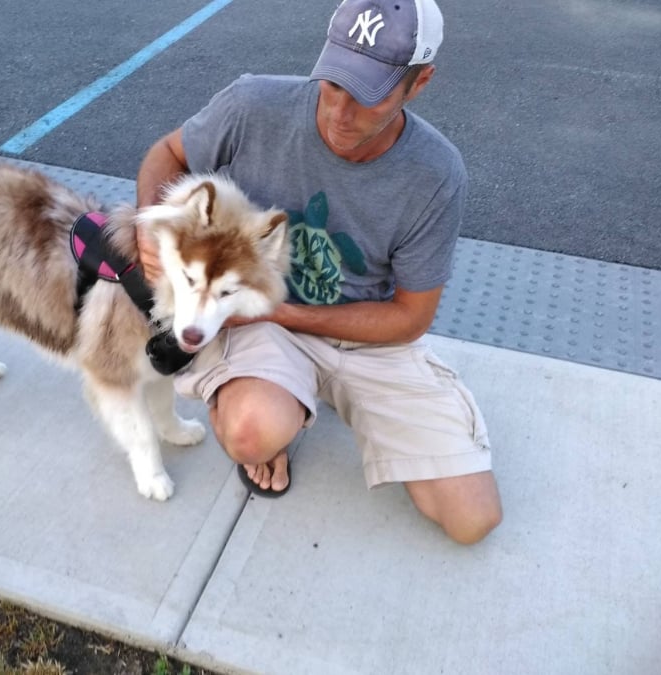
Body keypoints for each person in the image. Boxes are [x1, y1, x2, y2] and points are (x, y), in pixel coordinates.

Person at [135, 0, 502, 544]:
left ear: (419, 83)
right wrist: (152, 230)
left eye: (368, 96)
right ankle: (275, 408)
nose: (339, 113)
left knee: (472, 520)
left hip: (357, 331)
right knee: (251, 432)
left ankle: (315, 394)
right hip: (262, 325)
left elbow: (409, 317)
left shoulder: (436, 174)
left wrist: (287, 311)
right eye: (333, 83)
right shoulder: (254, 102)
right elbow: (167, 152)